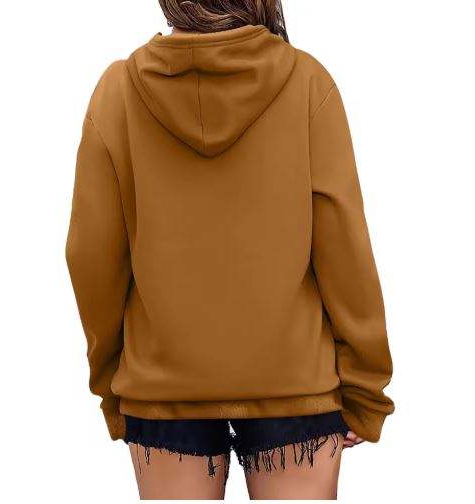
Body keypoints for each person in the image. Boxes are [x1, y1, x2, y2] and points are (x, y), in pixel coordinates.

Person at [66, 0, 394, 499]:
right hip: (295, 388)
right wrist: (365, 387)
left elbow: (91, 257)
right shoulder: (306, 81)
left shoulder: (119, 91)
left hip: (164, 391)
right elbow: (344, 247)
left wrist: (114, 384)